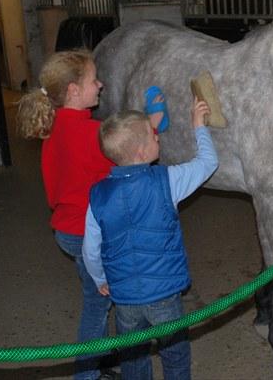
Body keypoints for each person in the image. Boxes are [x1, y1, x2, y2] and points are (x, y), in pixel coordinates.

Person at [17, 50, 167, 380]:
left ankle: (96, 369)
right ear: (73, 90)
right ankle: (86, 375)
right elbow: (129, 156)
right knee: (98, 308)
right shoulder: (89, 135)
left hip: (68, 230)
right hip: (90, 237)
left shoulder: (55, 127)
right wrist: (151, 127)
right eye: (93, 79)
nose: (101, 85)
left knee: (97, 301)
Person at [83, 99, 218, 380]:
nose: (158, 136)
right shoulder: (167, 180)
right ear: (144, 151)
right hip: (164, 295)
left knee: (133, 356)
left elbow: (90, 250)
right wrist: (198, 126)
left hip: (124, 298)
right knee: (175, 354)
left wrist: (99, 280)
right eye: (153, 134)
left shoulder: (98, 195)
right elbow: (208, 163)